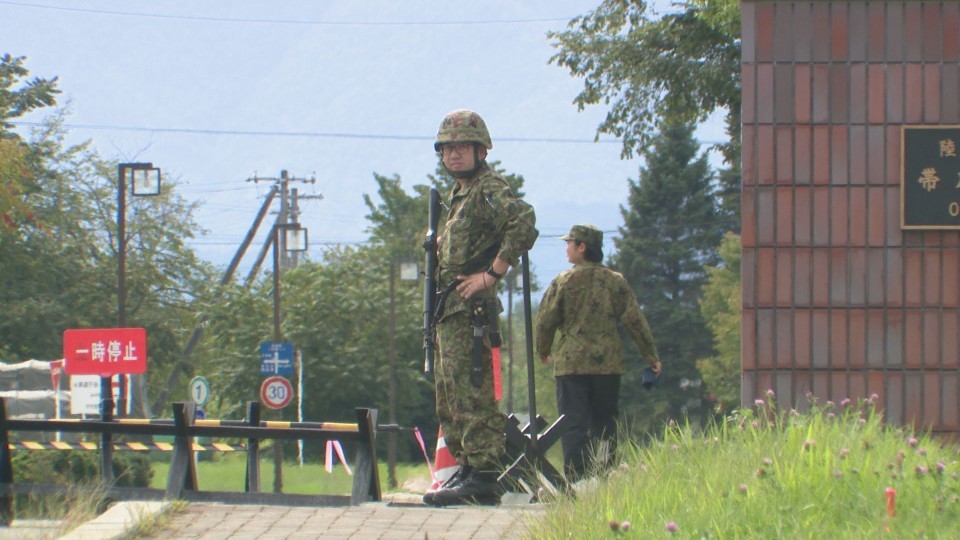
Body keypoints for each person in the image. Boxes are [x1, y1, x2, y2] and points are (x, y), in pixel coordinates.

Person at [424, 109, 538, 506]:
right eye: (448, 148)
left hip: (471, 311)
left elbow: (523, 223)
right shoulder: (459, 194)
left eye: (462, 147)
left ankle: (485, 475)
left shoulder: (488, 189)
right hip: (449, 308)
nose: (454, 155)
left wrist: (491, 274)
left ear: (480, 150)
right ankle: (469, 470)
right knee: (450, 395)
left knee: (473, 393)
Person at [535, 224, 661, 482]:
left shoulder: (563, 281)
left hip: (572, 366)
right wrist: (651, 356)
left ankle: (576, 478)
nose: (566, 248)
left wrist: (543, 350)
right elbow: (635, 321)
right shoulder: (615, 282)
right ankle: (605, 473)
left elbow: (545, 320)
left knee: (573, 424)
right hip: (608, 365)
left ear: (582, 247)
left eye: (569, 242)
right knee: (605, 424)